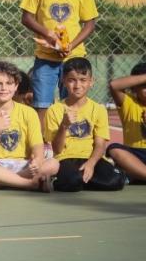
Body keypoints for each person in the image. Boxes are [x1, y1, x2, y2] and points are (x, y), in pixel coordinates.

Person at [20, 0, 99, 129]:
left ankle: (71, 141)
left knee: (72, 100)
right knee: (42, 103)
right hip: (46, 57)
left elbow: (90, 24)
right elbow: (26, 18)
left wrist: (71, 45)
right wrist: (48, 34)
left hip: (73, 56)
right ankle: (42, 145)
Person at [0, 61, 59, 193]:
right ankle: (29, 184)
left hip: (23, 165)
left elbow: (37, 145)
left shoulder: (28, 112)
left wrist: (37, 160)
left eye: (9, 83)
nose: (4, 88)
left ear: (16, 86)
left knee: (53, 164)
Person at [46, 57, 122, 193]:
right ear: (63, 81)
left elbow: (100, 145)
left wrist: (91, 164)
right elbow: (57, 149)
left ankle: (81, 179)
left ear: (91, 82)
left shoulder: (98, 109)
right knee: (72, 182)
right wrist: (64, 125)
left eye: (83, 80)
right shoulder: (54, 110)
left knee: (114, 181)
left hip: (90, 157)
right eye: (71, 80)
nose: (77, 85)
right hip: (66, 158)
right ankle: (67, 179)